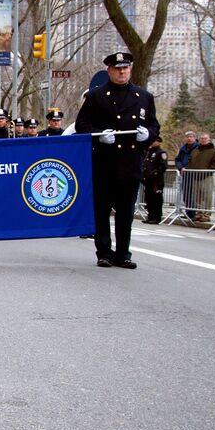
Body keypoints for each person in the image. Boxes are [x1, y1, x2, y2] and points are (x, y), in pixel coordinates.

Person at [75, 51, 159, 269]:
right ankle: (104, 251)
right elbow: (82, 126)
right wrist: (100, 134)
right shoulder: (95, 96)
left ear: (130, 69)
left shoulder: (144, 97)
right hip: (105, 162)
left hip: (130, 163)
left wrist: (147, 135)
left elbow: (154, 125)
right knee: (102, 211)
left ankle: (123, 253)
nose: (122, 72)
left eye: (125, 68)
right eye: (117, 69)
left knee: (126, 212)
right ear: (109, 71)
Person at [186, 132, 215, 222]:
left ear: (209, 139)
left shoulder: (214, 151)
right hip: (195, 176)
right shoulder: (196, 150)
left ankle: (206, 214)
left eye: (205, 138)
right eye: (202, 138)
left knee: (206, 197)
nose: (203, 140)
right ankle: (199, 213)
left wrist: (207, 172)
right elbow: (190, 161)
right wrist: (189, 170)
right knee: (197, 197)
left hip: (206, 177)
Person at [141, 136, 168, 224]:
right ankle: (150, 216)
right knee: (149, 199)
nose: (152, 143)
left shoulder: (161, 153)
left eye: (154, 141)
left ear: (158, 142)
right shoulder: (148, 152)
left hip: (156, 181)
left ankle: (156, 217)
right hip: (148, 180)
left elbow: (162, 167)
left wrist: (153, 174)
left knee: (156, 199)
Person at [175, 131, 199, 220]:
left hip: (194, 173)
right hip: (184, 173)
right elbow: (178, 159)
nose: (189, 138)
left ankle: (194, 212)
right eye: (188, 136)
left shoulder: (198, 147)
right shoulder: (183, 148)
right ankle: (189, 211)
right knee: (186, 193)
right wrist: (180, 167)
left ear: (194, 138)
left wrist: (188, 167)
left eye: (191, 136)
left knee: (194, 193)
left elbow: (196, 160)